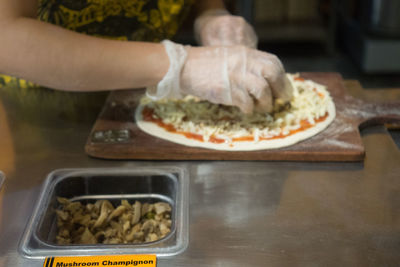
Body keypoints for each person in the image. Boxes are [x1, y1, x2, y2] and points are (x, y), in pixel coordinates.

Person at [0, 0, 293, 118]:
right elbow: (5, 34)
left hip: (153, 99)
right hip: (42, 114)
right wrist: (180, 65)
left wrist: (210, 16)